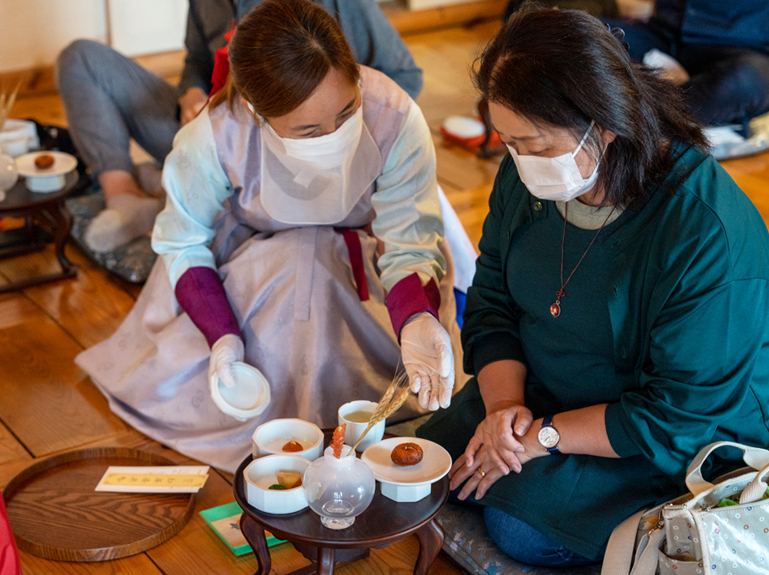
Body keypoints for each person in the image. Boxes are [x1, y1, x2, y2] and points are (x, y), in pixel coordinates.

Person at [417, 6, 769, 567]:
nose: (518, 161)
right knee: (426, 463)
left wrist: (540, 439)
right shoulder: (530, 174)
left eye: (533, 143)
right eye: (507, 141)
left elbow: (675, 415)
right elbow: (493, 306)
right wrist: (504, 410)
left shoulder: (704, 230)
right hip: (550, 395)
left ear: (605, 124)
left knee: (518, 524)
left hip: (674, 432)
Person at [75, 0, 468, 474]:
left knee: (321, 264)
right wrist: (222, 338)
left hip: (366, 255)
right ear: (255, 110)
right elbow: (183, 243)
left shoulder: (393, 115)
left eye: (347, 113)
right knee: (297, 261)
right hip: (255, 253)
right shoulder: (217, 135)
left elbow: (407, 240)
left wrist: (415, 320)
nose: (334, 136)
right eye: (309, 130)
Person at [55, 0, 424, 253]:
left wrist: (327, 123)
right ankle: (125, 196)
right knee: (80, 60)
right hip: (217, 139)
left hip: (303, 161)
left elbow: (405, 77)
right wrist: (192, 92)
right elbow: (198, 60)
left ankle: (179, 196)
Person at [602, 0, 769, 135]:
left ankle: (636, 121)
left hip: (742, 45)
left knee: (745, 80)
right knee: (587, 35)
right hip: (666, 34)